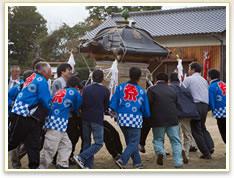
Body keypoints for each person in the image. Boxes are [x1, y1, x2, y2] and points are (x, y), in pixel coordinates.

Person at [8, 62, 52, 169]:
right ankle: (33, 166)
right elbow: (45, 101)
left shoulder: (32, 77)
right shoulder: (42, 81)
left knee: (34, 143)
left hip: (29, 117)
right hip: (23, 115)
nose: (50, 73)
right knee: (11, 142)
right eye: (49, 71)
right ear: (43, 71)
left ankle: (34, 168)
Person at [110, 67, 150, 169]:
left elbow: (113, 103)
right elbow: (145, 109)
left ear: (129, 75)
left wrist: (114, 111)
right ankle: (122, 160)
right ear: (139, 78)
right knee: (134, 143)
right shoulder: (141, 91)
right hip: (135, 119)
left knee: (130, 142)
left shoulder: (120, 87)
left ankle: (137, 163)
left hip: (122, 118)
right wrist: (146, 115)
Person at [39, 76, 82, 169]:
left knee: (66, 145)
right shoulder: (74, 92)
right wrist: (78, 113)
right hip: (58, 122)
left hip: (53, 120)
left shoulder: (60, 91)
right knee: (50, 148)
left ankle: (62, 164)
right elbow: (78, 106)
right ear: (76, 85)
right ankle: (41, 167)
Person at [73, 69, 110, 169]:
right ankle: (81, 157)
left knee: (86, 142)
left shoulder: (86, 89)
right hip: (97, 118)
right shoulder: (105, 90)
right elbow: (106, 106)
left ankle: (88, 165)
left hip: (85, 118)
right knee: (98, 143)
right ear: (102, 78)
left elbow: (82, 103)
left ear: (92, 77)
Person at [147, 72, 183, 168]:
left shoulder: (151, 90)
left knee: (158, 139)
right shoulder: (173, 90)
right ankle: (178, 162)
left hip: (157, 120)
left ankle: (160, 152)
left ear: (156, 79)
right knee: (175, 140)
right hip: (172, 119)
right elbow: (176, 103)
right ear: (168, 80)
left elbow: (148, 105)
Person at [183, 62, 214, 159]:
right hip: (204, 106)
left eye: (189, 68)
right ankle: (209, 146)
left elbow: (182, 91)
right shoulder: (204, 80)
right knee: (202, 127)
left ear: (192, 70)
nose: (188, 70)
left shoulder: (188, 79)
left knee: (196, 130)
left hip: (195, 105)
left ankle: (206, 152)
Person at [169, 72, 200, 163]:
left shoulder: (170, 88)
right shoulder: (185, 88)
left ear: (169, 80)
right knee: (187, 135)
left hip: (175, 115)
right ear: (179, 80)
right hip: (187, 115)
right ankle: (186, 153)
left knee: (176, 135)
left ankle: (180, 151)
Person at [8, 70, 34, 169]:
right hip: (15, 118)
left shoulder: (36, 90)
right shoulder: (17, 88)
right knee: (15, 141)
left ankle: (17, 158)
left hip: (30, 120)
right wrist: (11, 103)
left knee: (31, 143)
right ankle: (15, 163)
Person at [207, 69, 226, 144]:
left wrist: (207, 109)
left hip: (221, 112)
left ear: (210, 77)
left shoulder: (211, 87)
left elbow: (211, 103)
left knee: (224, 131)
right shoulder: (224, 83)